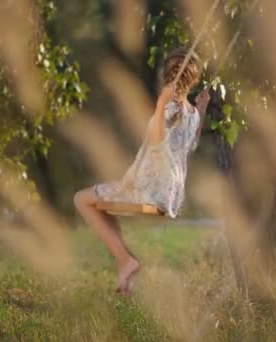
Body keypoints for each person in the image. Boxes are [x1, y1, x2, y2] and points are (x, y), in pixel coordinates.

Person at [73, 48, 210, 295]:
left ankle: (126, 261)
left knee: (81, 200)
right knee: (104, 207)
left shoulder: (169, 108)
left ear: (166, 76)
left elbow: (157, 141)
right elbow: (191, 144)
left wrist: (159, 105)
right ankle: (125, 267)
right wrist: (202, 107)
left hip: (148, 190)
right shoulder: (191, 115)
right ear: (195, 80)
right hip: (170, 196)